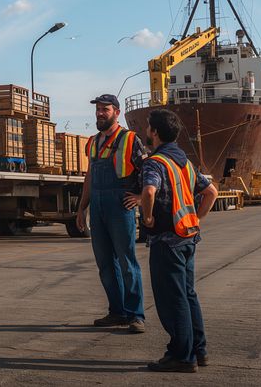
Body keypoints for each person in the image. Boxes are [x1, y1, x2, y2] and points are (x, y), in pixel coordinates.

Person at [134, 108, 218, 373]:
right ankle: (199, 350)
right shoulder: (184, 162)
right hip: (188, 237)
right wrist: (197, 217)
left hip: (167, 241)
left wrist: (147, 218)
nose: (146, 131)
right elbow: (211, 192)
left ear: (155, 132)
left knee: (172, 299)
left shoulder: (155, 162)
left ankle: (182, 356)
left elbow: (148, 191)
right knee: (188, 294)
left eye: (148, 127)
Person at [76, 94, 147, 333]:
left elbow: (147, 172)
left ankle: (136, 315)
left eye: (104, 109)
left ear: (117, 112)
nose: (99, 113)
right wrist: (81, 208)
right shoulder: (93, 142)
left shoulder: (130, 139)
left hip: (120, 206)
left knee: (127, 262)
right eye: (97, 109)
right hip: (97, 206)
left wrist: (139, 197)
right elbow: (89, 177)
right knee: (105, 264)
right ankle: (117, 312)